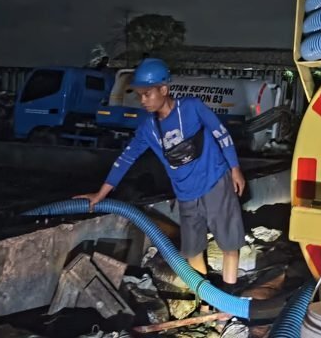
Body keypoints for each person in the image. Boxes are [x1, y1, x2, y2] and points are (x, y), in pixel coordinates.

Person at [74, 58, 246, 293]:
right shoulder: (148, 128)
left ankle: (229, 301)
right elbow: (126, 159)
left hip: (215, 182)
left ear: (163, 90)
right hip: (186, 195)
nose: (143, 100)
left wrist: (235, 169)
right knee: (193, 252)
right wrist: (100, 194)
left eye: (147, 94)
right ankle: (207, 302)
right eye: (140, 95)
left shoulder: (192, 107)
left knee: (229, 244)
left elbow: (221, 133)